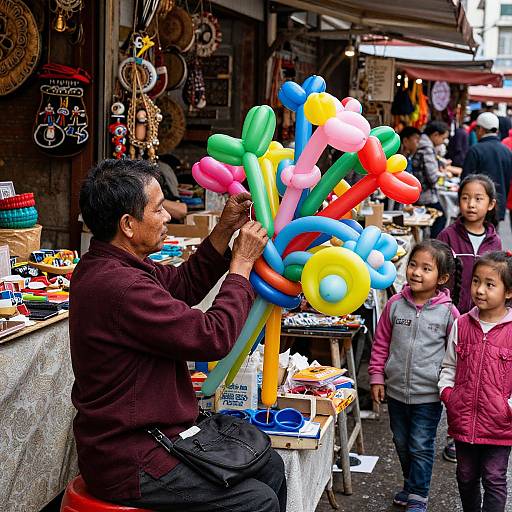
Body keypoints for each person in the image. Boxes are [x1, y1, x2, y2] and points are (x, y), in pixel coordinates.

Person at [70, 159, 287, 512]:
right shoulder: (119, 285)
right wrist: (242, 266)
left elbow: (183, 284)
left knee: (270, 466)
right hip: (131, 456)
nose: (168, 217)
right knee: (255, 501)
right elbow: (212, 337)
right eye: (158, 210)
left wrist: (223, 230)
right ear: (128, 224)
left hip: (162, 436)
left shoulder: (117, 264)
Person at [369, 240, 459, 512]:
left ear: (441, 278)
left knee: (420, 444)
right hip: (395, 391)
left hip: (428, 394)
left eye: (426, 268)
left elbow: (454, 354)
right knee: (401, 441)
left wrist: (450, 388)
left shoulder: (448, 313)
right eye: (413, 265)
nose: (416, 272)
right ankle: (411, 484)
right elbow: (381, 342)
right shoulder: (395, 304)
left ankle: (418, 493)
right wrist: (376, 377)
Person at [439, 251, 512, 512]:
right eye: (476, 281)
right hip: (464, 420)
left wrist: (508, 407)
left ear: (508, 292)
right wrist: (449, 394)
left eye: (490, 284)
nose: (480, 290)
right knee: (466, 476)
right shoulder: (461, 324)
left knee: (494, 478)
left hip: (500, 425)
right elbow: (449, 365)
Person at [437, 174, 501, 315]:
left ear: (491, 204)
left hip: (482, 314)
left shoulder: (495, 241)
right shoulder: (447, 235)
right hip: (447, 312)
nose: (471, 204)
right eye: (465, 198)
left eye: (478, 199)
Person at [461, 112, 512, 222]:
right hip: (497, 205)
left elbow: (465, 180)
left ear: (480, 129)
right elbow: (508, 180)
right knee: (491, 236)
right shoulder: (506, 151)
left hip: (476, 207)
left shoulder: (475, 150)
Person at [412, 121, 450, 238]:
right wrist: (442, 174)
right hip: (425, 195)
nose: (443, 142)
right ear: (435, 135)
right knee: (440, 218)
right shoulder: (427, 148)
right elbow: (432, 177)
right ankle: (433, 247)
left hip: (420, 193)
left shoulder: (423, 145)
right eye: (443, 138)